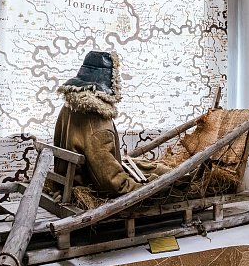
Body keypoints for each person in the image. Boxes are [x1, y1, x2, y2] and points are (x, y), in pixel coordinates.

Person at [53, 51, 171, 196]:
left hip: (73, 179)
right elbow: (113, 183)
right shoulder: (98, 124)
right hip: (90, 187)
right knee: (172, 178)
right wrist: (152, 185)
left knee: (157, 168)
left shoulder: (70, 106)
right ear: (111, 81)